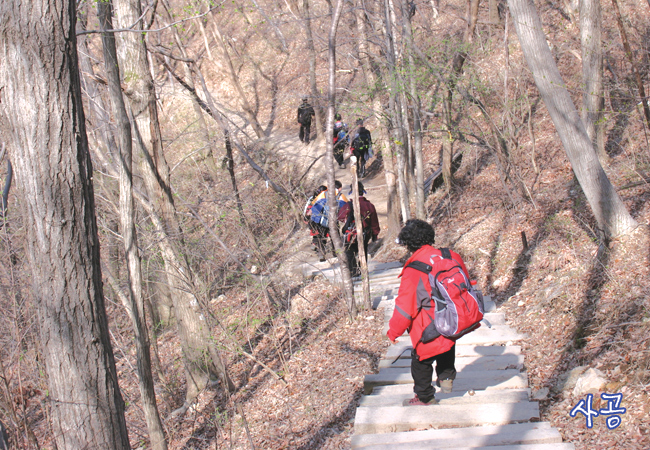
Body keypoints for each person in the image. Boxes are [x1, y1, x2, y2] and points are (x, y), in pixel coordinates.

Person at [387, 219, 472, 405]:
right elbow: (466, 282)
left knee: (421, 360)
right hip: (453, 316)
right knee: (447, 343)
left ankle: (425, 397)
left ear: (408, 243)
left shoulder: (415, 268)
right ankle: (447, 376)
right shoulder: (451, 255)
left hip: (428, 323)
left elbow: (405, 306)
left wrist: (394, 331)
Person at [337, 182, 380, 277]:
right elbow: (374, 222)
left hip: (351, 234)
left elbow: (340, 216)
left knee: (349, 251)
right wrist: (375, 234)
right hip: (365, 233)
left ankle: (353, 271)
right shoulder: (369, 206)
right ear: (363, 192)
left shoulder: (348, 205)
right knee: (363, 250)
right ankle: (363, 269)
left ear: (352, 191)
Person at [309, 180, 348, 261]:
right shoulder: (341, 195)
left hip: (321, 220)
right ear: (339, 188)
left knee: (321, 237)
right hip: (333, 220)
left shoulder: (323, 194)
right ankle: (336, 253)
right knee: (335, 237)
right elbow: (347, 206)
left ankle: (321, 254)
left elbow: (313, 204)